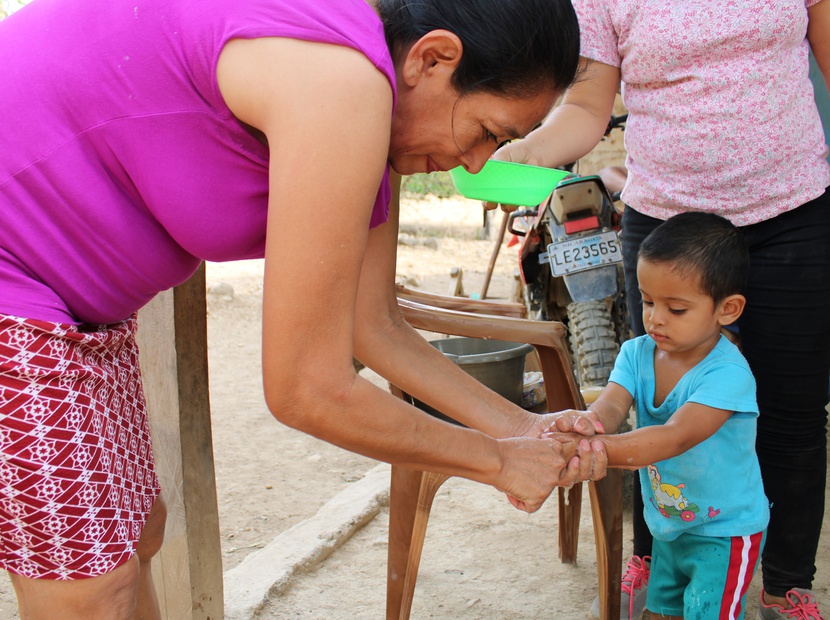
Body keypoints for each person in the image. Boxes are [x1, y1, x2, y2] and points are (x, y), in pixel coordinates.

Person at [0, 0, 609, 617]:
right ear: (433, 58)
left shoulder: (375, 95)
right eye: (488, 132)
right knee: (89, 586)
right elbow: (306, 389)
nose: (478, 163)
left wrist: (523, 428)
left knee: (137, 534)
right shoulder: (342, 83)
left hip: (75, 314)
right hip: (16, 289)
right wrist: (498, 460)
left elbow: (372, 324)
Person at [487, 1, 830, 618]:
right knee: (653, 393)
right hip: (667, 228)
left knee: (793, 413)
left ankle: (785, 583)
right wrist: (529, 150)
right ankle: (657, 551)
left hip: (790, 211)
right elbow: (588, 107)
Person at [549, 212, 769, 620]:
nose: (655, 318)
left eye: (677, 308)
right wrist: (585, 426)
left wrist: (595, 451)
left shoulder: (728, 375)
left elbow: (674, 437)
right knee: (659, 611)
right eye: (648, 301)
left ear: (728, 309)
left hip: (725, 532)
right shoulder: (636, 353)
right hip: (669, 524)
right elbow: (611, 406)